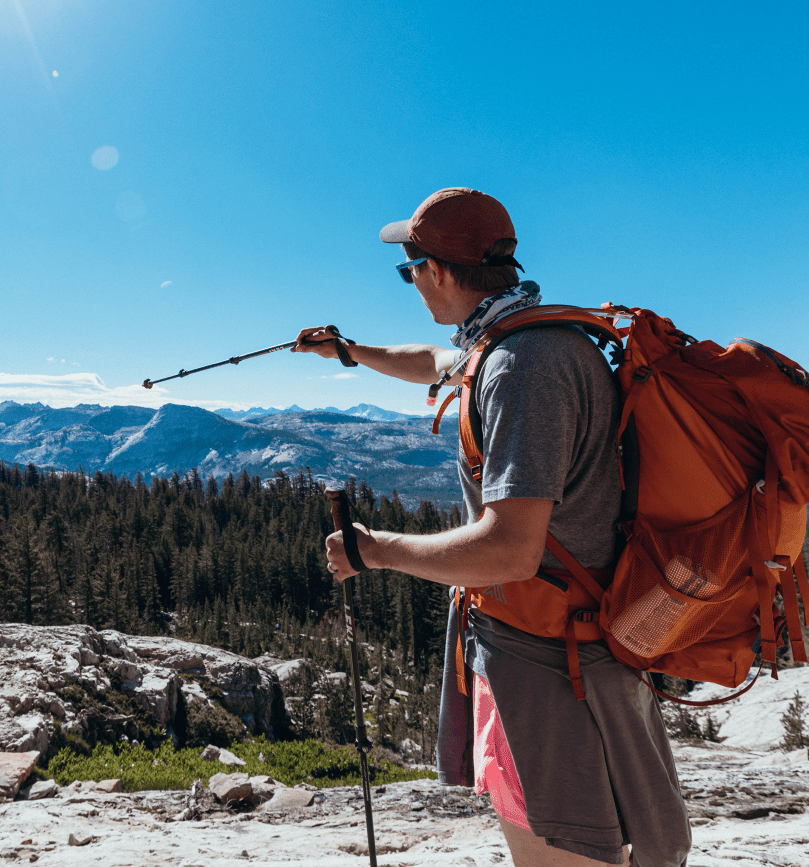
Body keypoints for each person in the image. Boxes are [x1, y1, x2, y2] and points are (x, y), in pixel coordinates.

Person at [294, 188, 691, 867]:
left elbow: (510, 549)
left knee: (568, 851)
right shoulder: (518, 339)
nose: (411, 283)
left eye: (409, 269)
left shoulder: (523, 368)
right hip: (557, 642)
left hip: (553, 662)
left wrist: (374, 550)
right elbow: (434, 362)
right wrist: (351, 353)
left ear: (438, 272)